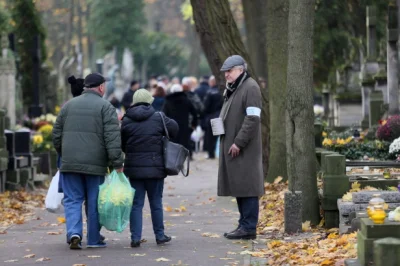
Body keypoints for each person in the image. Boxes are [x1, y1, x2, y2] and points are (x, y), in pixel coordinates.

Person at [53, 73, 124, 249]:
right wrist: (117, 163)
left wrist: (64, 153)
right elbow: (112, 138)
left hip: (69, 163)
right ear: (100, 87)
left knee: (72, 200)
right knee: (94, 201)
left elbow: (56, 134)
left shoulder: (68, 106)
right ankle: (93, 239)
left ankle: (74, 233)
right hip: (96, 164)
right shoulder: (106, 107)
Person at [121, 89, 178, 248]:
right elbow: (175, 129)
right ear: (149, 101)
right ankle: (160, 236)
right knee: (156, 203)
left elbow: (122, 144)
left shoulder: (126, 120)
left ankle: (135, 238)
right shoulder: (159, 117)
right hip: (155, 168)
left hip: (134, 169)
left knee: (136, 204)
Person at [217, 55, 264, 240]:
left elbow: (252, 118)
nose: (226, 75)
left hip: (244, 149)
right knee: (240, 186)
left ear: (240, 70)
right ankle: (243, 224)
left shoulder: (250, 87)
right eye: (225, 72)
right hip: (235, 147)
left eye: (229, 71)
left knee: (248, 187)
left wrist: (239, 142)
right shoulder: (235, 88)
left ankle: (249, 227)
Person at [163, 84, 197, 153]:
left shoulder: (168, 101)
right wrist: (194, 124)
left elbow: (164, 114)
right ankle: (187, 156)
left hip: (171, 126)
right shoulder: (186, 100)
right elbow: (194, 113)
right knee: (184, 143)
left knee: (173, 144)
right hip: (184, 126)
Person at [203, 76, 223, 159]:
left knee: (210, 137)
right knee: (219, 136)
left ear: (211, 82)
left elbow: (206, 106)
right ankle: (220, 153)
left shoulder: (209, 92)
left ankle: (211, 154)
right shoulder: (221, 92)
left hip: (211, 116)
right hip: (220, 115)